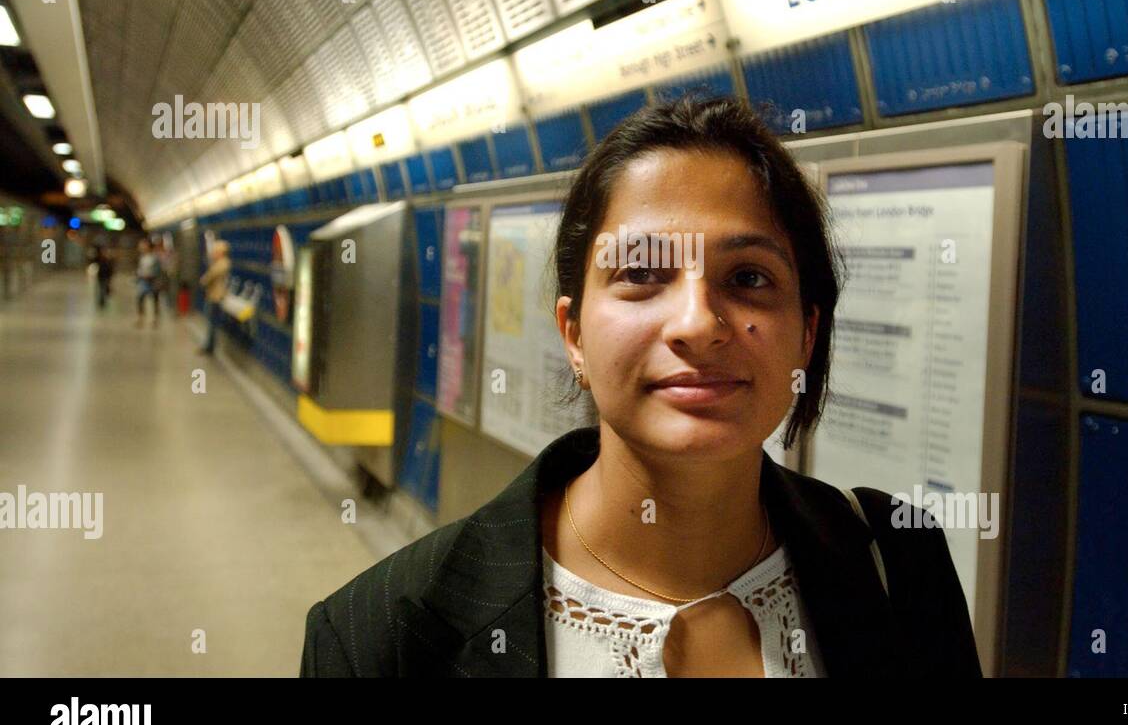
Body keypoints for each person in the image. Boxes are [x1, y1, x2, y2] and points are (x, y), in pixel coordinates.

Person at [300, 97, 981, 678]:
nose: (698, 324)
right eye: (642, 274)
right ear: (573, 334)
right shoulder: (380, 637)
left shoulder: (897, 562)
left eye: (748, 278)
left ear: (806, 332)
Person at [198, 240, 230, 355]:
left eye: (215, 252)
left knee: (212, 323)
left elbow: (209, 276)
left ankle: (209, 347)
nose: (212, 254)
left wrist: (204, 280)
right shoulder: (218, 263)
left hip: (216, 297)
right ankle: (209, 345)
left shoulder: (223, 263)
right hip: (212, 296)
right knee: (210, 322)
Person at [134, 239, 162, 328]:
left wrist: (153, 276)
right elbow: (139, 268)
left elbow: (158, 270)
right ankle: (140, 318)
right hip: (143, 281)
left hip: (153, 281)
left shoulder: (155, 258)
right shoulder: (141, 257)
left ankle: (155, 319)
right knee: (140, 299)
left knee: (155, 299)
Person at [88, 244, 114, 308]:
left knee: (104, 289)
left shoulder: (108, 259)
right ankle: (100, 301)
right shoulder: (98, 258)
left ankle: (102, 301)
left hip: (106, 276)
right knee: (100, 289)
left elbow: (111, 268)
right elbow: (92, 263)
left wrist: (111, 276)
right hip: (100, 276)